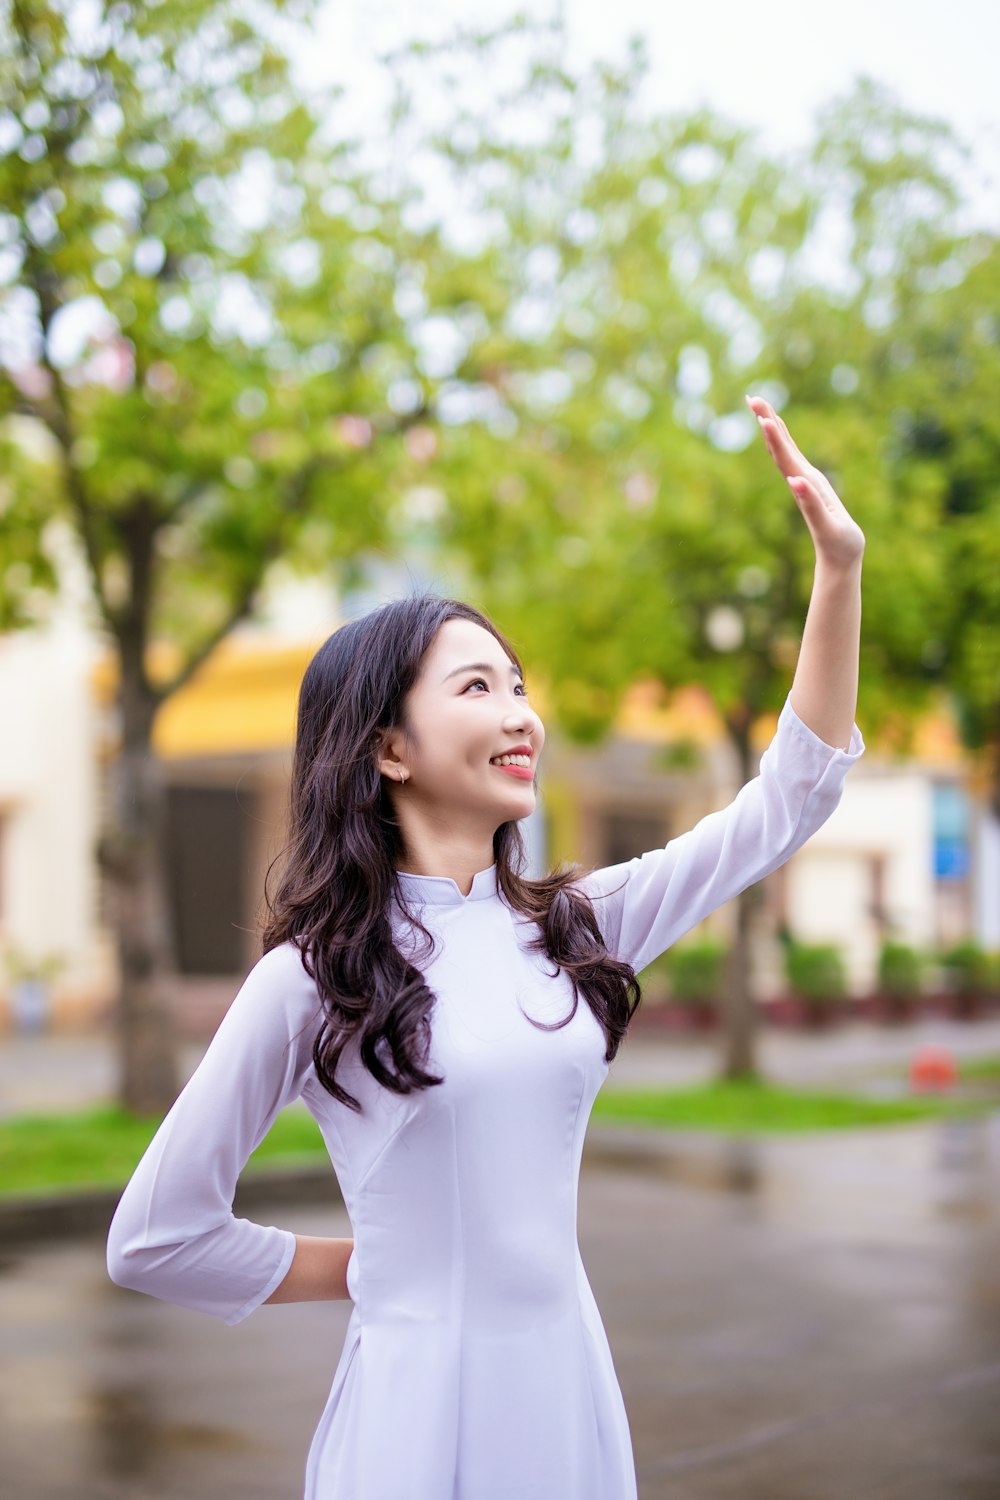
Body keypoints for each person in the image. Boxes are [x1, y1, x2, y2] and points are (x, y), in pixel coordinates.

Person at [107, 395, 866, 1498]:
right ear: (388, 748)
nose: (521, 714)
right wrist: (367, 1271)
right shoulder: (315, 977)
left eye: (519, 686)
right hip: (416, 1410)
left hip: (564, 1387)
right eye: (478, 687)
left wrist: (836, 574)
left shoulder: (572, 928)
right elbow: (155, 1237)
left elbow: (786, 801)